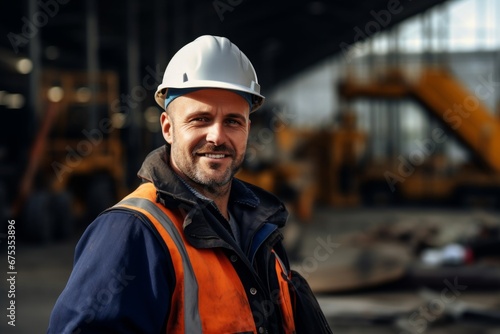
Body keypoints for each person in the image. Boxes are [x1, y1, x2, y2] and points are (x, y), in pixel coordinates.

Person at [48, 35, 331, 334]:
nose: (217, 137)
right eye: (200, 119)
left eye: (233, 121)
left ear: (248, 129)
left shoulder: (260, 228)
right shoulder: (132, 233)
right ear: (168, 129)